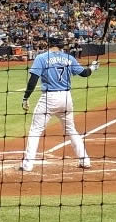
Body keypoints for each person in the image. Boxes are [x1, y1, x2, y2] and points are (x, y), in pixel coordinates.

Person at [20, 34, 95, 173]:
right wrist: (92, 68)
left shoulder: (41, 58)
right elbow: (85, 73)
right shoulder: (69, 58)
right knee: (71, 130)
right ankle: (85, 160)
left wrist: (25, 97)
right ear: (61, 45)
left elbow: (33, 80)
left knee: (35, 130)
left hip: (49, 98)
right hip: (66, 98)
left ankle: (27, 165)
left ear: (49, 44)